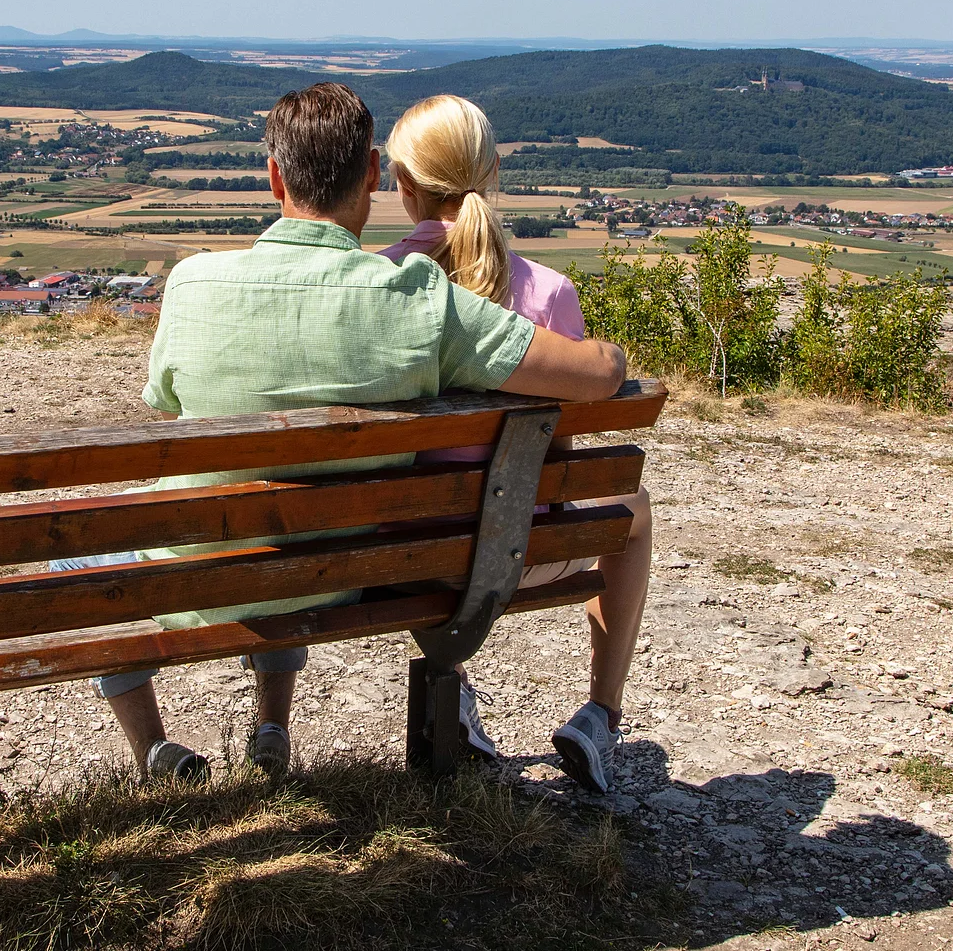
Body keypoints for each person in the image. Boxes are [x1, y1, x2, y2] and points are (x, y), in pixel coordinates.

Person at [73, 81, 628, 784]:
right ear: (371, 173)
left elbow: (167, 407)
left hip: (203, 576)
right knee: (289, 521)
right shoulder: (412, 298)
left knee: (91, 554)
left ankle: (155, 752)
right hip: (335, 578)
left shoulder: (192, 283)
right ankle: (271, 723)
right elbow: (592, 373)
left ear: (274, 175)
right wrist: (613, 357)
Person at [380, 94, 652, 794]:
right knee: (634, 505)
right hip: (522, 558)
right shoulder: (550, 294)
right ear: (495, 172)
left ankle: (454, 691)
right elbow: (561, 453)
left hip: (396, 564)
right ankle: (601, 714)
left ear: (401, 185)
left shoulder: (372, 288)